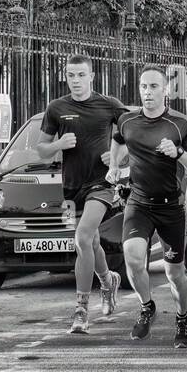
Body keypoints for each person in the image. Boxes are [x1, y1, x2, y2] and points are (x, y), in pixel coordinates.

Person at [106, 67, 187, 348]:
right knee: (133, 257)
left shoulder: (181, 124)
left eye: (153, 86)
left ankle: (182, 316)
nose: (147, 92)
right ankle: (147, 306)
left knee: (174, 273)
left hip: (171, 207)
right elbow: (117, 141)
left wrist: (178, 152)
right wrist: (115, 166)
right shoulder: (128, 120)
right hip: (139, 202)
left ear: (166, 91)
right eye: (143, 86)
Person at [35, 54, 128, 335]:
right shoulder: (56, 108)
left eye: (80, 75)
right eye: (70, 75)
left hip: (101, 184)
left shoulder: (109, 105)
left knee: (83, 237)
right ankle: (108, 281)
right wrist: (59, 144)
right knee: (92, 241)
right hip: (72, 184)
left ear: (91, 76)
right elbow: (40, 149)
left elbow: (133, 135)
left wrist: (116, 159)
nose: (75, 80)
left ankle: (80, 310)